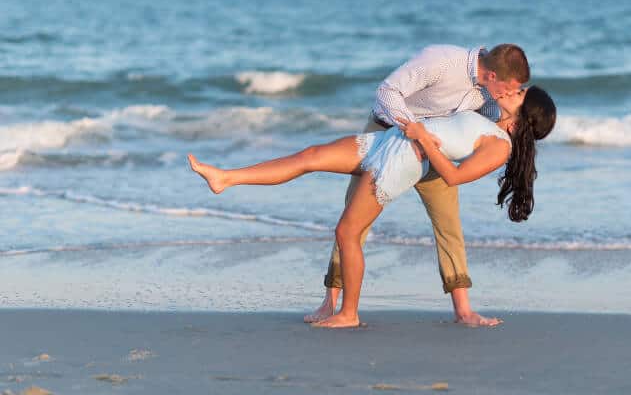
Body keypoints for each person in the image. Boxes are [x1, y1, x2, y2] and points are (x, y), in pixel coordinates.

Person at [188, 82, 556, 329]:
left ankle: (349, 312)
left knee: (348, 231)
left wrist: (424, 139)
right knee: (311, 155)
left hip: (404, 159)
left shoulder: (500, 147)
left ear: (525, 117)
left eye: (522, 94)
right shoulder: (488, 115)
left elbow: (454, 176)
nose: (515, 91)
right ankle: (227, 178)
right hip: (391, 141)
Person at [311, 42, 531, 327]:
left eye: (515, 92)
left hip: (432, 152)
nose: (509, 94)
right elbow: (386, 92)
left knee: (448, 223)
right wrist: (415, 133)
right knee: (354, 219)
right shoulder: (441, 61)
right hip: (388, 133)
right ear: (492, 75)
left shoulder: (490, 97)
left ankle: (464, 311)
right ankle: (331, 302)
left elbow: (489, 124)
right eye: (508, 88)